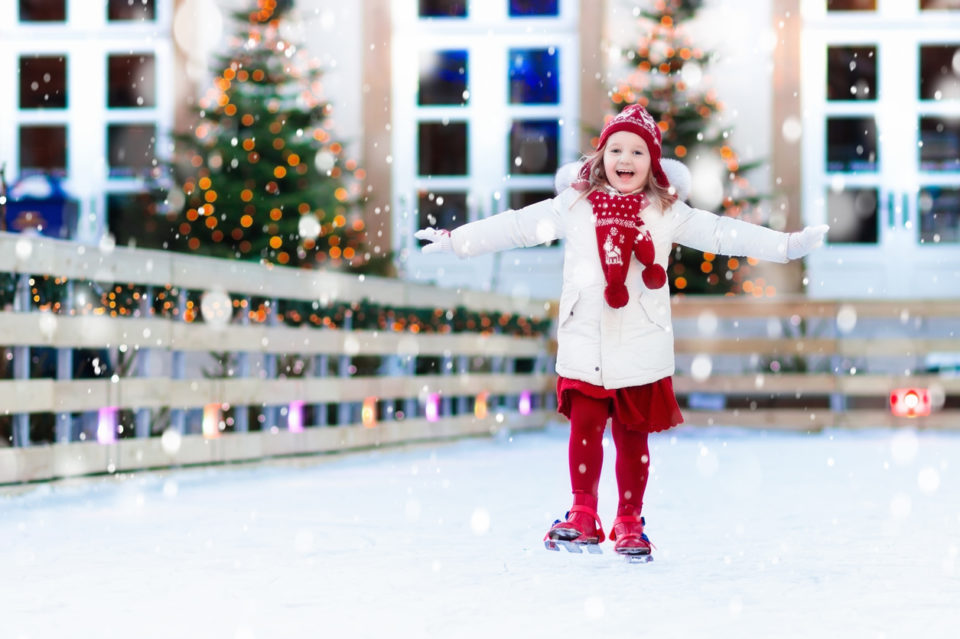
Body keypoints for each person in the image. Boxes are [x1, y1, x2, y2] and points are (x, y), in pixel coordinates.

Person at [415, 104, 828, 561]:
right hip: (585, 338)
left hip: (640, 342)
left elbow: (722, 233)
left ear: (653, 163)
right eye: (615, 149)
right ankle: (583, 513)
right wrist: (458, 242)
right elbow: (517, 226)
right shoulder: (573, 205)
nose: (624, 159)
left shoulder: (667, 212)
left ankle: (630, 520)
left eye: (636, 151)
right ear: (600, 157)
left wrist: (786, 247)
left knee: (633, 437)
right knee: (586, 430)